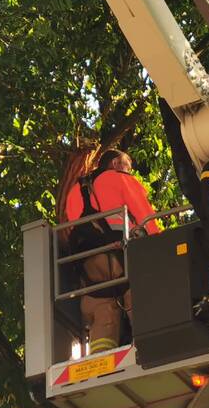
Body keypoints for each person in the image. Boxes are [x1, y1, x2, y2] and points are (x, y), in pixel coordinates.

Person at [58, 148, 160, 355]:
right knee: (138, 297)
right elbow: (144, 215)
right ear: (114, 163)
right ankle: (150, 347)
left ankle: (102, 362)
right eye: (127, 166)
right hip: (121, 255)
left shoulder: (74, 193)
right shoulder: (120, 179)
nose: (129, 172)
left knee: (104, 311)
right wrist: (161, 243)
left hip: (88, 266)